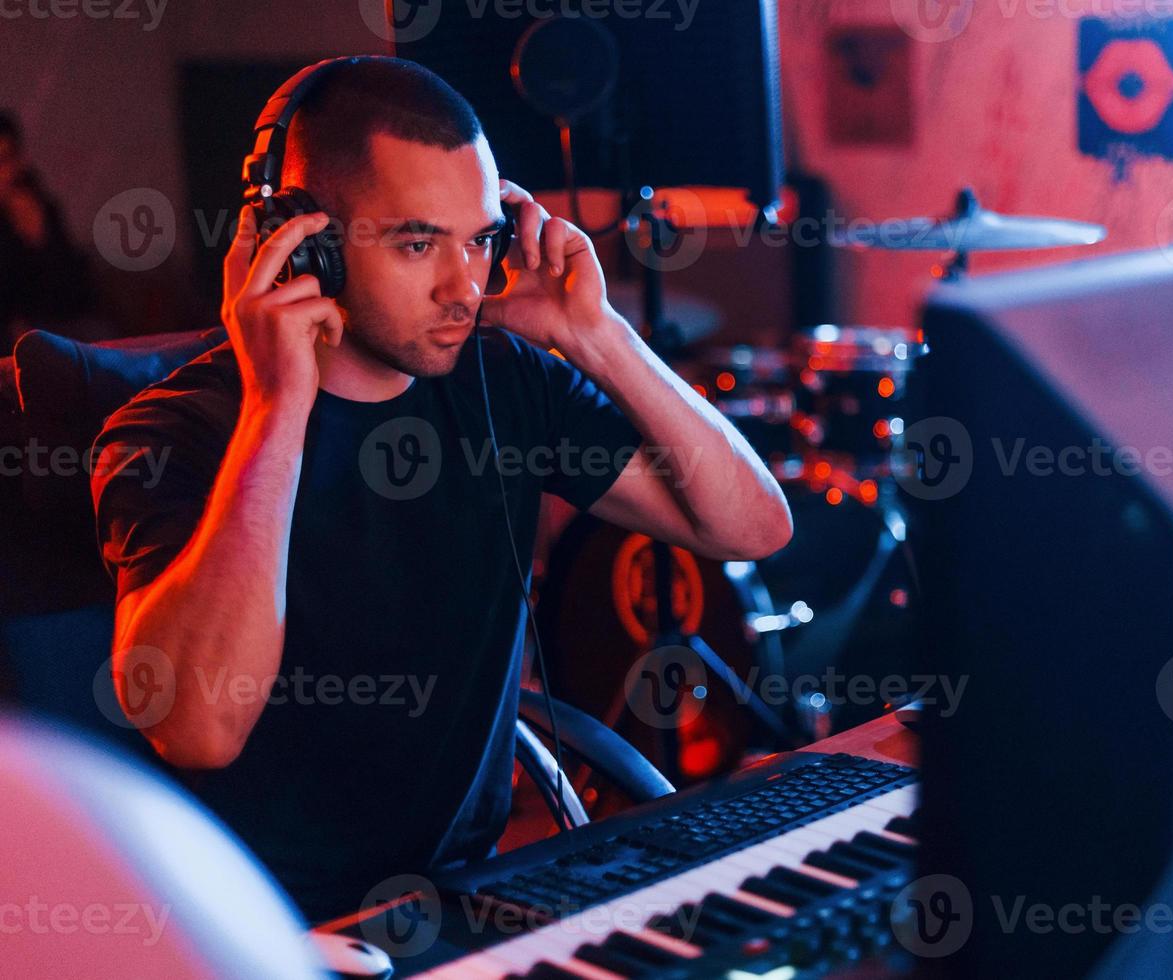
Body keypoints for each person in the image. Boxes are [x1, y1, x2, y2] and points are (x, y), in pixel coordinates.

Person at [90, 57, 792, 922]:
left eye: (482, 239)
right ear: (306, 242)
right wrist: (278, 408)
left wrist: (597, 335)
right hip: (257, 931)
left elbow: (755, 527)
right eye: (419, 243)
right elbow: (197, 728)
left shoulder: (504, 379)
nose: (466, 287)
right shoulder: (168, 434)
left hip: (466, 908)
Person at [0, 110, 98, 345]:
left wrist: (40, 241)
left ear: (19, 161)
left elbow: (73, 294)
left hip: (51, 330)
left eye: (4, 160)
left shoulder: (39, 208)